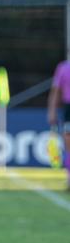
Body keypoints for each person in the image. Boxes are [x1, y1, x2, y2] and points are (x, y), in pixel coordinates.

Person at [47, 59, 70, 190]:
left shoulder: (63, 67)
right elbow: (56, 91)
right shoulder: (64, 67)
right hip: (68, 109)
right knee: (68, 145)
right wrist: (52, 111)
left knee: (68, 146)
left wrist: (51, 111)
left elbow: (55, 92)